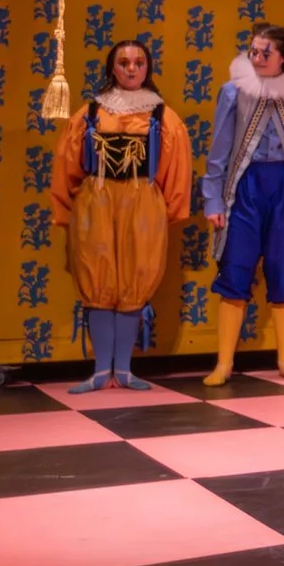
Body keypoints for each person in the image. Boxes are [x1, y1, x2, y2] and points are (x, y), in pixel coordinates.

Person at [49, 39, 192, 392]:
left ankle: (124, 370)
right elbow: (67, 165)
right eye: (124, 62)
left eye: (138, 62)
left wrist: (161, 213)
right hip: (95, 202)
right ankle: (101, 371)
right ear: (112, 68)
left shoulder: (162, 116)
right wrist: (69, 210)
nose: (131, 69)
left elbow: (176, 171)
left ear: (148, 67)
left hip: (141, 202)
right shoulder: (91, 113)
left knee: (135, 277)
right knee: (97, 277)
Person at [202, 23, 284, 386]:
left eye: (265, 52)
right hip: (245, 187)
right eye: (253, 51)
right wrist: (213, 198)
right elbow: (219, 149)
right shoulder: (234, 90)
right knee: (235, 268)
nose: (257, 58)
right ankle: (224, 363)